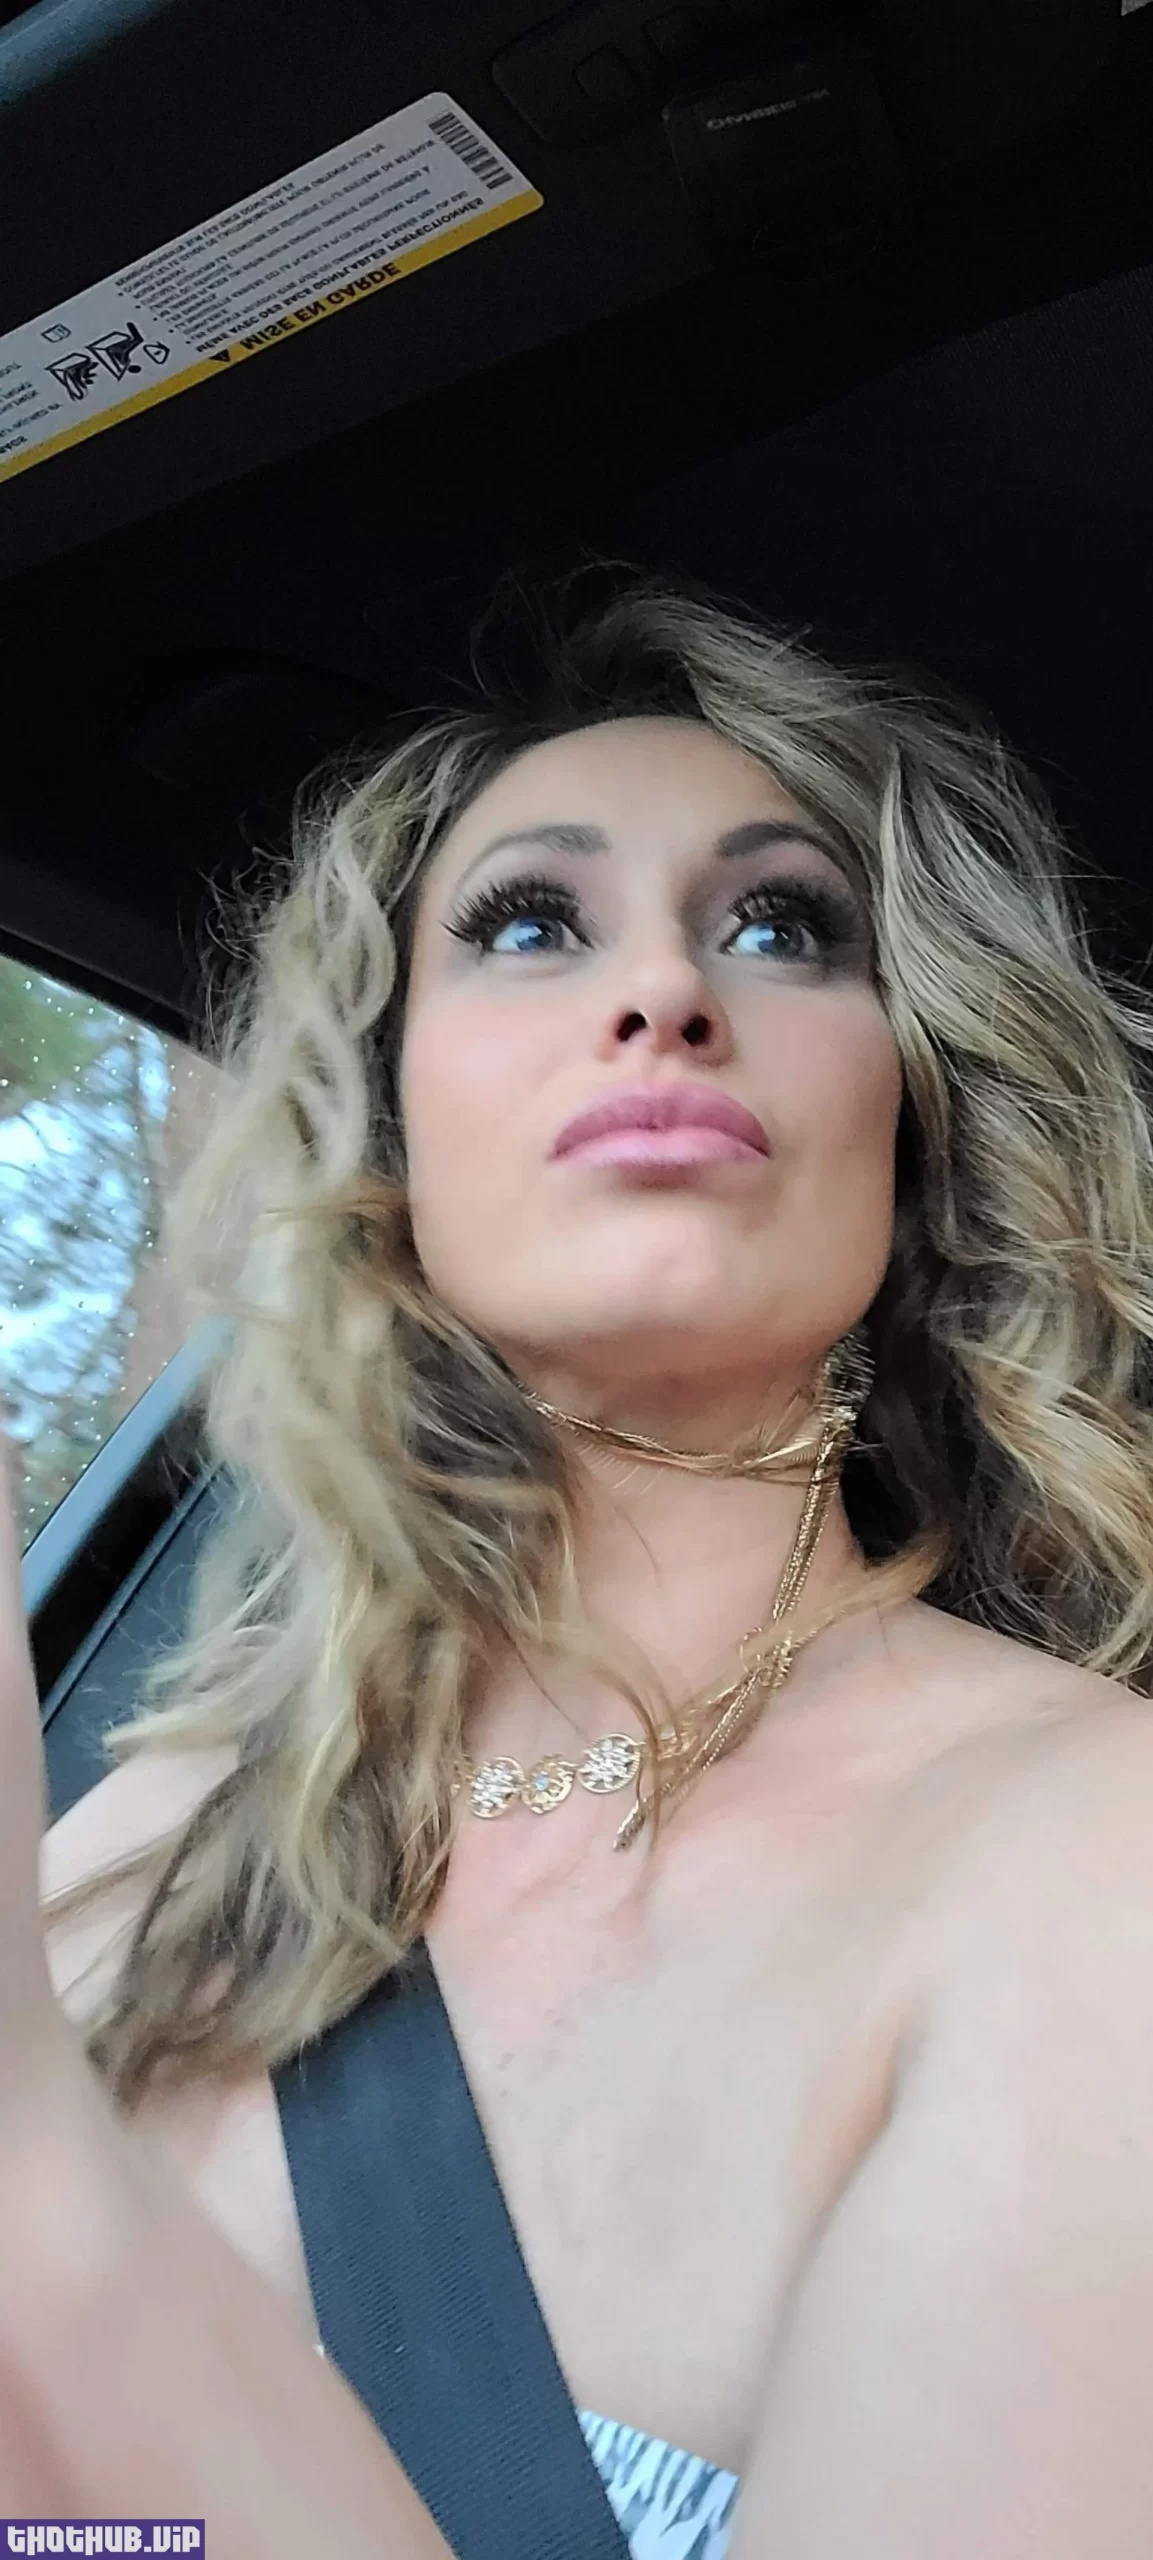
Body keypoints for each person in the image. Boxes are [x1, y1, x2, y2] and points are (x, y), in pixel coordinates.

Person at [2, 563, 1153, 2556]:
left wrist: (43, 2183)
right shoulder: (126, 1856)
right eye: (531, 923)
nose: (669, 993)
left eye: (782, 926)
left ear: (914, 1119)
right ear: (387, 1130)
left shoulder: (1092, 1857)